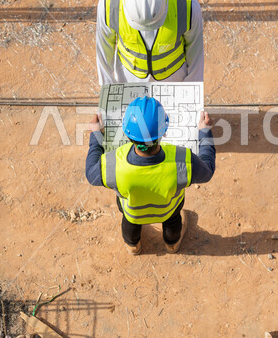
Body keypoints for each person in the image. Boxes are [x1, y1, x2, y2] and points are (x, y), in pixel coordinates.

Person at [85, 96, 215, 255]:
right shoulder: (182, 160)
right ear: (164, 131)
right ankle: (172, 245)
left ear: (127, 134)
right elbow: (207, 170)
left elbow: (91, 173)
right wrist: (205, 131)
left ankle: (133, 246)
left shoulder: (113, 165)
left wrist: (96, 134)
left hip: (133, 213)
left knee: (130, 224)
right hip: (169, 209)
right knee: (173, 222)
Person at [95, 0, 204, 84]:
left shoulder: (187, 7)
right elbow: (104, 48)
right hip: (129, 76)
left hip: (173, 76)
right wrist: (107, 86)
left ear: (165, 4)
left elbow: (196, 51)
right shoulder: (109, 5)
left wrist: (191, 87)